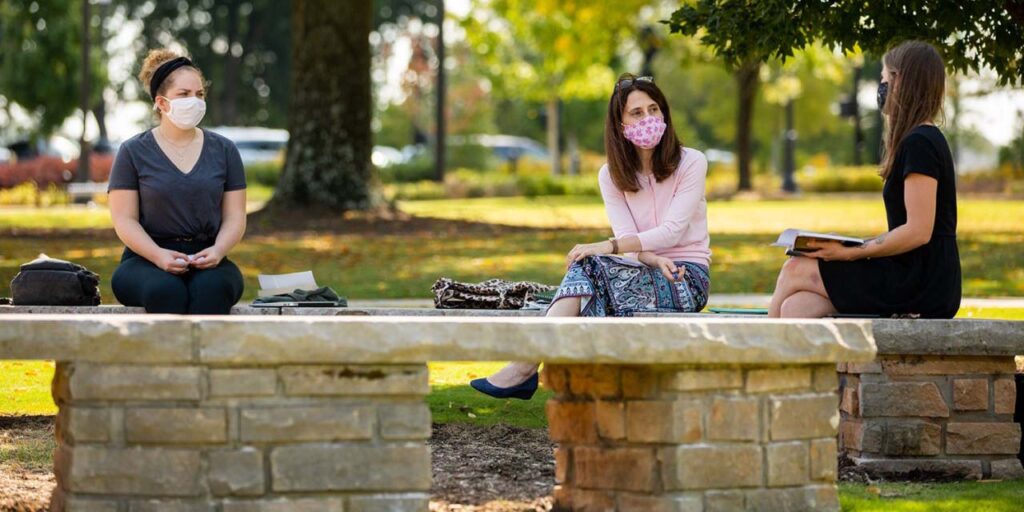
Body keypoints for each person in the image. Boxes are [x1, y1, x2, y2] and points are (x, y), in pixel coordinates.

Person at [471, 73, 712, 399]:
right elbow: (631, 242)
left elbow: (671, 232)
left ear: (665, 114)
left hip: (685, 279)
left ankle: (525, 366)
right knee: (590, 268)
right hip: (643, 271)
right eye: (637, 113)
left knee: (591, 265)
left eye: (654, 110)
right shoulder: (611, 175)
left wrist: (606, 246)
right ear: (620, 124)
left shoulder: (692, 162)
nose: (648, 119)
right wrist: (650, 258)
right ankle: (533, 368)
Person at [769, 40, 960, 319]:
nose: (880, 89)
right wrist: (852, 244)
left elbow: (919, 231)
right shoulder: (919, 140)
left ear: (900, 81)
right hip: (913, 275)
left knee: (794, 269)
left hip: (922, 282)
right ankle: (802, 362)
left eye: (883, 79)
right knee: (796, 308)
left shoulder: (921, 142)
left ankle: (755, 358)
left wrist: (851, 253)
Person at [108, 49, 247, 314]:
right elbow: (124, 220)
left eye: (199, 94)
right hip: (145, 258)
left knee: (212, 291)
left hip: (208, 258)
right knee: (165, 292)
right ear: (161, 103)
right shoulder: (132, 152)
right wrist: (159, 256)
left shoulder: (225, 150)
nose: (194, 101)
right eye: (184, 95)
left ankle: (208, 357)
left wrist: (218, 251)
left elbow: (235, 217)